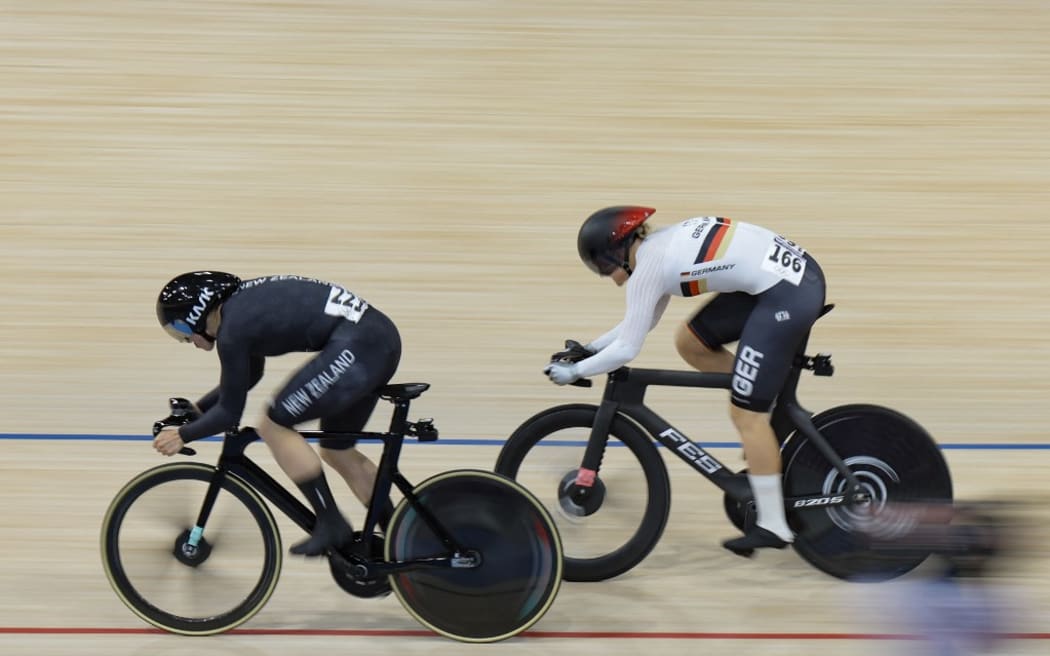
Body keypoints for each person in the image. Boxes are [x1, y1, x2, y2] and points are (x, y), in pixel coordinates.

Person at [543, 206, 826, 556]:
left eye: (604, 265)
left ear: (621, 249)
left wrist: (576, 372)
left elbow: (628, 348)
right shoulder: (655, 248)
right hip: (785, 280)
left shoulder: (649, 264)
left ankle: (773, 525)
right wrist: (588, 350)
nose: (608, 276)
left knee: (745, 415)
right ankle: (763, 392)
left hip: (785, 295)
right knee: (690, 342)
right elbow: (640, 322)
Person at [152, 271, 402, 556]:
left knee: (273, 424)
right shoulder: (240, 310)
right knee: (337, 450)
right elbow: (249, 377)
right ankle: (402, 541)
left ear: (197, 311)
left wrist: (182, 435)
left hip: (359, 345)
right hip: (374, 340)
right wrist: (198, 410)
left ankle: (331, 522)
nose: (189, 342)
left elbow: (229, 415)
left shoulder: (233, 329)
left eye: (183, 332)